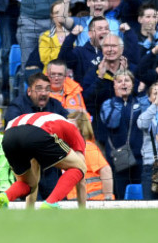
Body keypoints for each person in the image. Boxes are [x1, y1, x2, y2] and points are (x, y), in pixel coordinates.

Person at [0, 112, 87, 210]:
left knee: (29, 184)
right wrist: (82, 210)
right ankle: (51, 203)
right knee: (80, 167)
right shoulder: (74, 131)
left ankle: (4, 196)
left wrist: (28, 214)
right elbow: (81, 173)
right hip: (37, 133)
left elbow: (35, 170)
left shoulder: (50, 121)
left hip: (9, 136)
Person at [99, 70, 147, 199]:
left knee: (142, 197)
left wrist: (141, 94)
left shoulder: (140, 101)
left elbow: (148, 120)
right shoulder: (108, 104)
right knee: (120, 197)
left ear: (132, 84)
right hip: (119, 159)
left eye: (127, 81)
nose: (123, 84)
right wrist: (119, 101)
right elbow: (111, 122)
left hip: (140, 158)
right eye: (119, 81)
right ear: (114, 85)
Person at [66, 111, 115, 201]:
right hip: (78, 202)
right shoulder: (71, 149)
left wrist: (108, 199)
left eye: (70, 126)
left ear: (80, 129)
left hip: (93, 202)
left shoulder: (87, 148)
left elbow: (106, 170)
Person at [137, 82, 158, 199]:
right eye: (155, 93)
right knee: (150, 206)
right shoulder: (147, 114)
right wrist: (155, 105)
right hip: (150, 166)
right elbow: (142, 124)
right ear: (149, 98)